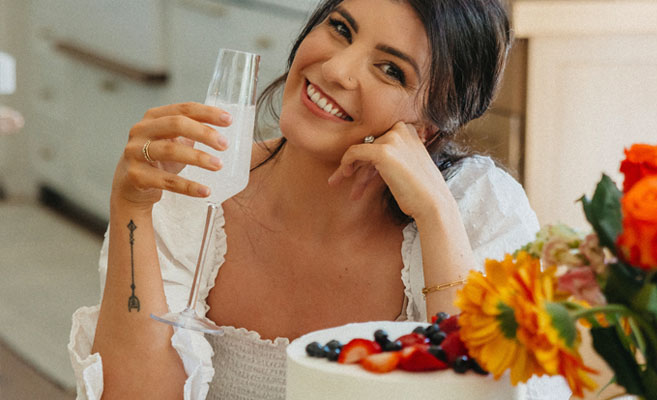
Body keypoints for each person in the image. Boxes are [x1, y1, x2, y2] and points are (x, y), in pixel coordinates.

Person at [68, 0, 562, 398]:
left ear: (429, 125)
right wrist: (131, 206)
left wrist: (436, 216)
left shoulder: (479, 208)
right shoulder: (195, 189)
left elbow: (495, 390)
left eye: (390, 69)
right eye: (341, 28)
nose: (337, 69)